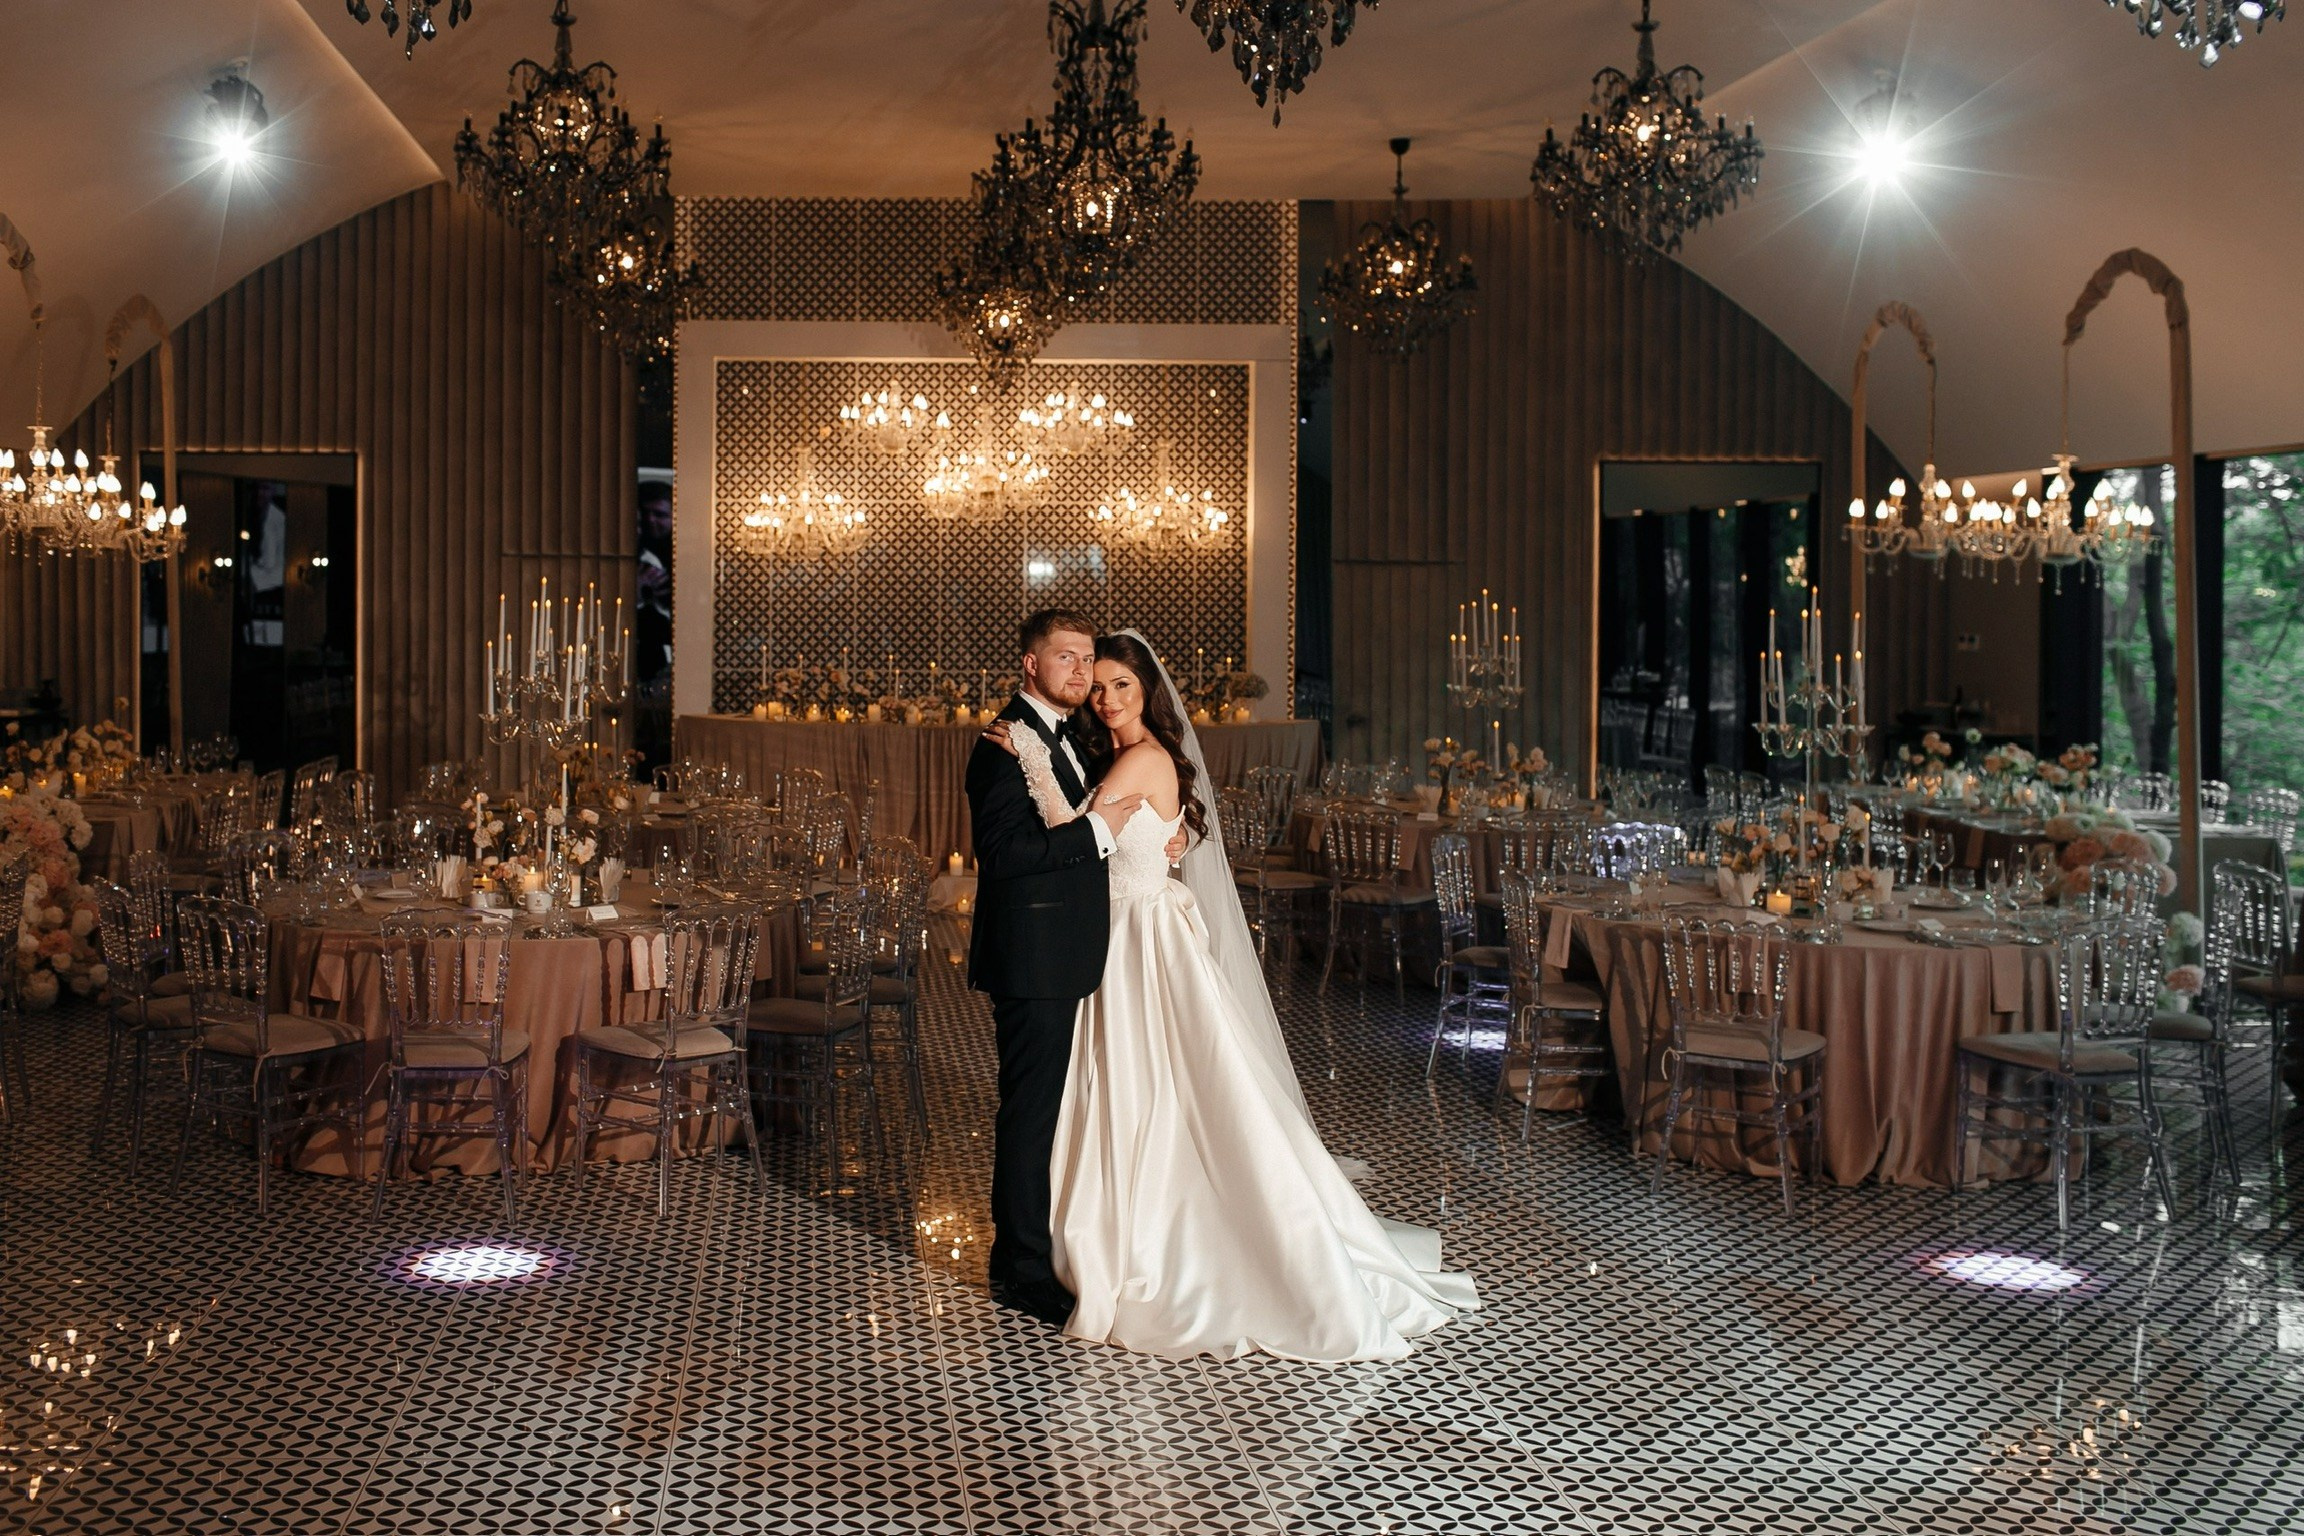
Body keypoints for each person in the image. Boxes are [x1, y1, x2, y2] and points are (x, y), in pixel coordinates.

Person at [985, 630, 1479, 1362]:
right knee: (1148, 1092)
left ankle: (1159, 1237)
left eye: (1123, 684)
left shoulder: (1143, 758)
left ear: (1149, 690)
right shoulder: (1127, 757)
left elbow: (1069, 831)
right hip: (1126, 933)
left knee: (1151, 1092)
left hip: (1137, 939)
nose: (1108, 697)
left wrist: (1025, 752)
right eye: (1100, 685)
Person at [964, 610, 1184, 1327]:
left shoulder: (1078, 743)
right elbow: (1005, 858)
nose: (1083, 674)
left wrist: (1161, 837)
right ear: (1031, 665)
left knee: (1069, 1111)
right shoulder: (1000, 746)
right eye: (1067, 659)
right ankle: (1021, 1270)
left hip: (1083, 953)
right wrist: (1100, 830)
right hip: (1033, 957)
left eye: (1090, 661)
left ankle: (1066, 1242)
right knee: (1030, 1116)